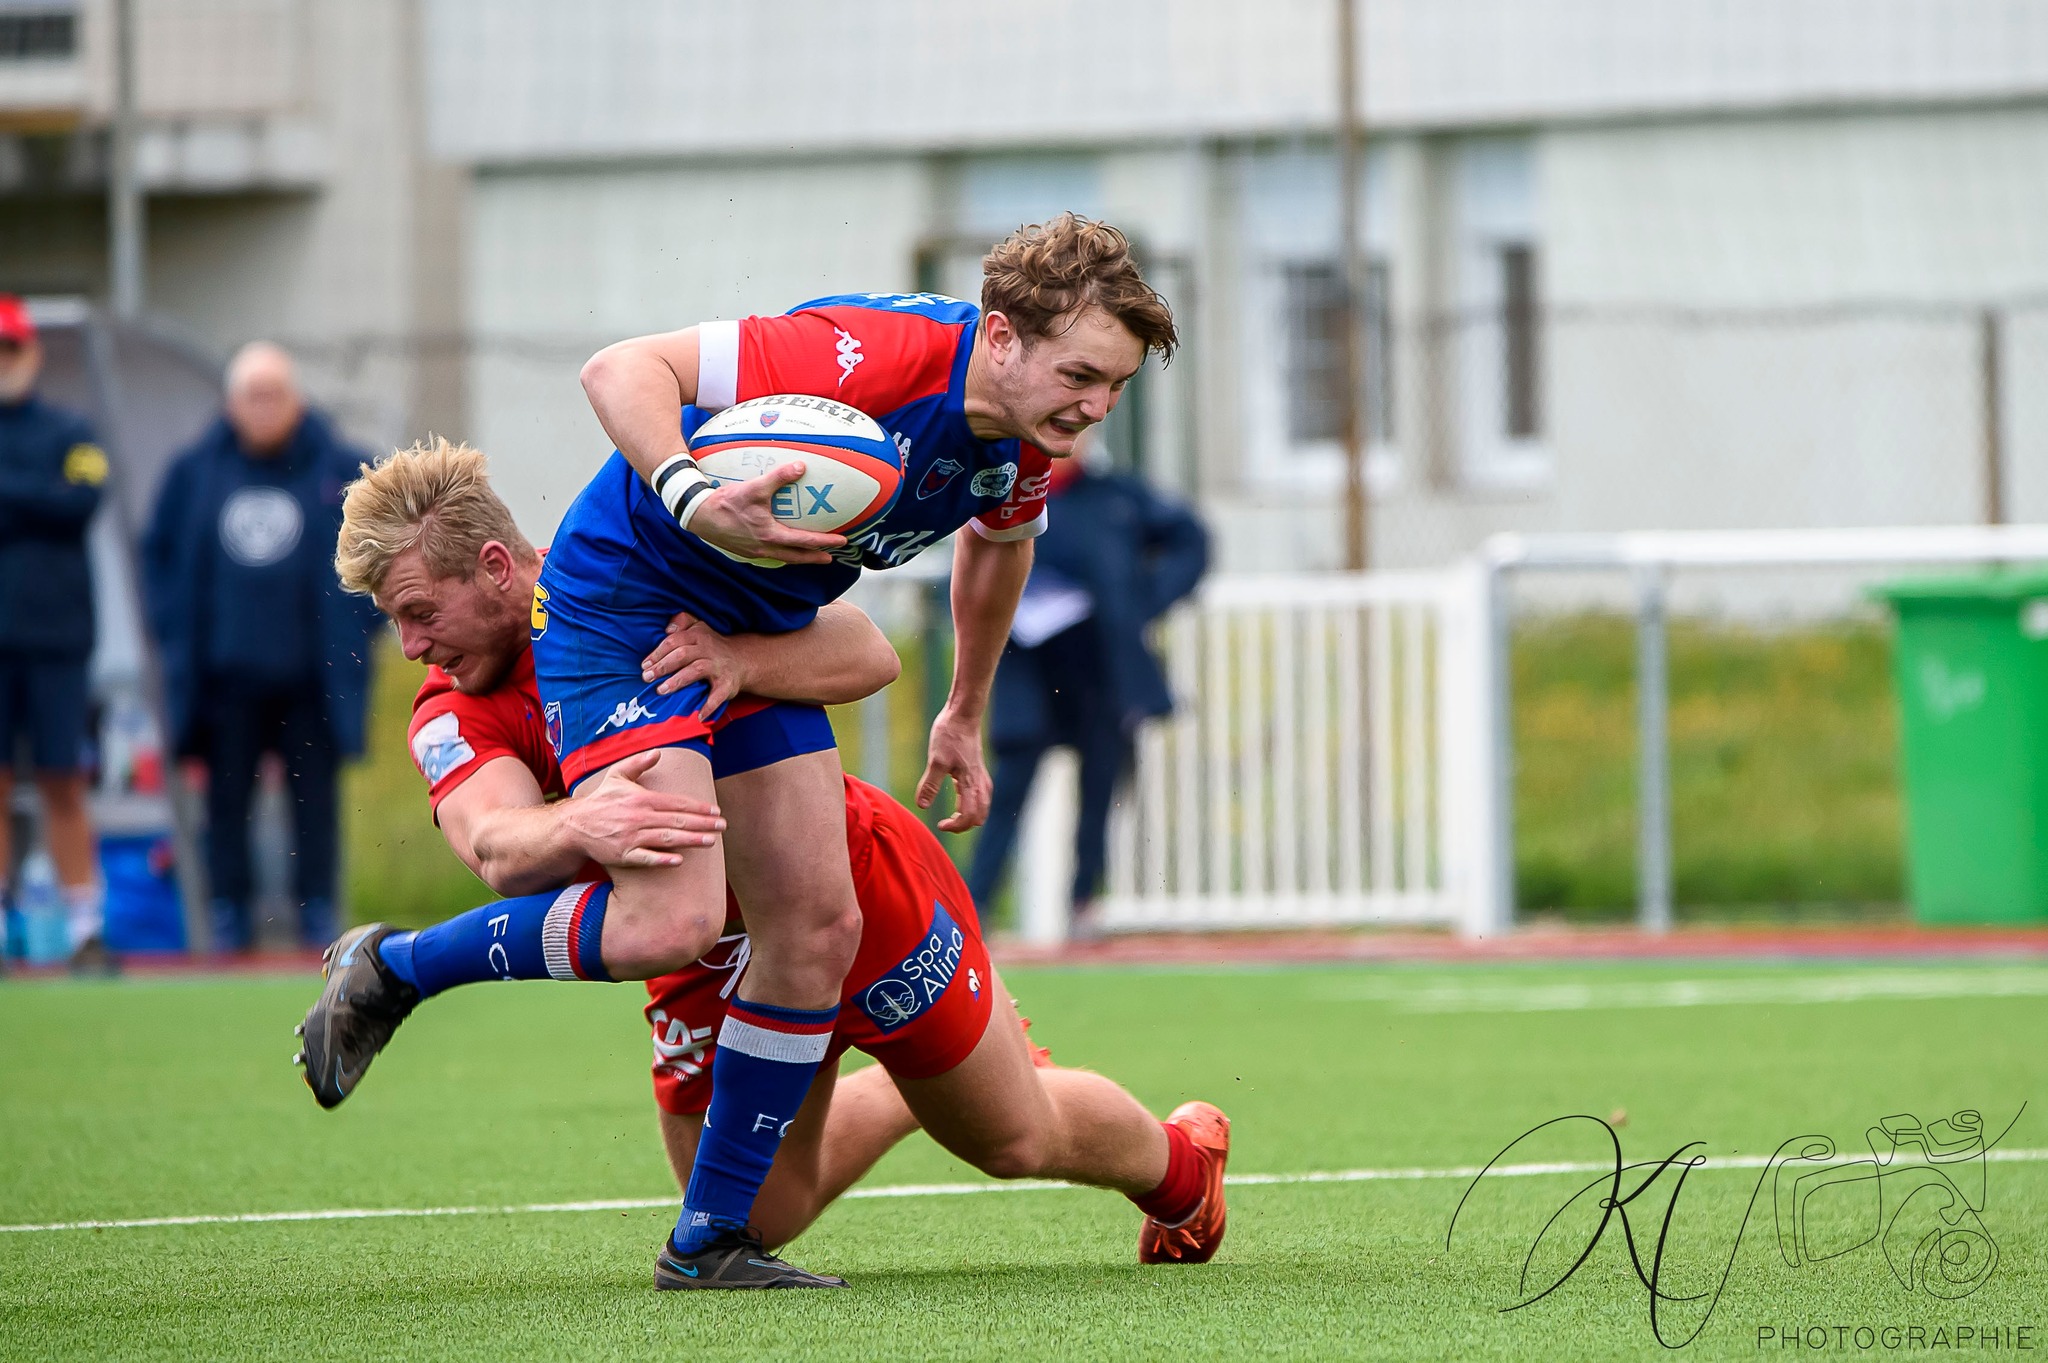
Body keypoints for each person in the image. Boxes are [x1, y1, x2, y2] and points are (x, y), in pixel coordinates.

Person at [296, 444, 1229, 1284]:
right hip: (699, 940)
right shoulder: (452, 708)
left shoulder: (639, 575)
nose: (411, 645)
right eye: (395, 622)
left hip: (851, 884)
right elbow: (495, 842)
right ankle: (899, 1091)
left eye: (418, 612)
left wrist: (739, 656)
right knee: (766, 1211)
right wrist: (580, 819)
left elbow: (869, 653)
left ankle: (1186, 1169)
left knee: (1014, 1138)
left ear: (497, 566)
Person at [462, 213, 1176, 1281]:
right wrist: (694, 497)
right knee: (679, 915)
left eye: (1115, 385)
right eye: (1081, 375)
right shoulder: (865, 353)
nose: (1096, 405)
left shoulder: (1027, 430)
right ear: (1000, 335)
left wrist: (963, 709)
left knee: (820, 927)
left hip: (753, 635)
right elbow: (619, 369)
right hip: (624, 611)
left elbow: (998, 550)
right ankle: (399, 966)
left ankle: (707, 1243)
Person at [142, 342, 383, 951]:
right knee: (225, 804)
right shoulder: (194, 473)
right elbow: (157, 557)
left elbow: (385, 554)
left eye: (275, 394)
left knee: (315, 804)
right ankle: (228, 913)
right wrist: (172, 629)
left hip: (312, 677)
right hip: (226, 678)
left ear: (297, 400)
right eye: (253, 395)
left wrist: (364, 627)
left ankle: (318, 913)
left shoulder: (341, 469)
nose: (264, 407)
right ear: (231, 405)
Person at [967, 452, 1208, 930]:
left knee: (1100, 785)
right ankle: (975, 906)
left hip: (1100, 667)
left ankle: (1083, 904)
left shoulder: (1116, 497)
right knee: (1008, 787)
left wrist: (1142, 602)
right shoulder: (998, 491)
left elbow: (1191, 541)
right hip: (1025, 665)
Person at [0, 294, 114, 971]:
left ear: (32, 353)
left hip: (58, 639)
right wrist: (37, 496)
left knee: (63, 779)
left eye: (11, 348)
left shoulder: (73, 430)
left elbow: (82, 501)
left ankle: (84, 928)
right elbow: (55, 503)